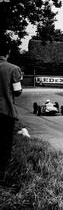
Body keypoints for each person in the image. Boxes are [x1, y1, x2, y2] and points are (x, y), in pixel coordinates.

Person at [0, 41, 23, 191]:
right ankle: (1, 178)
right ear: (7, 53)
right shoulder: (13, 69)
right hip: (4, 112)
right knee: (3, 146)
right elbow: (17, 92)